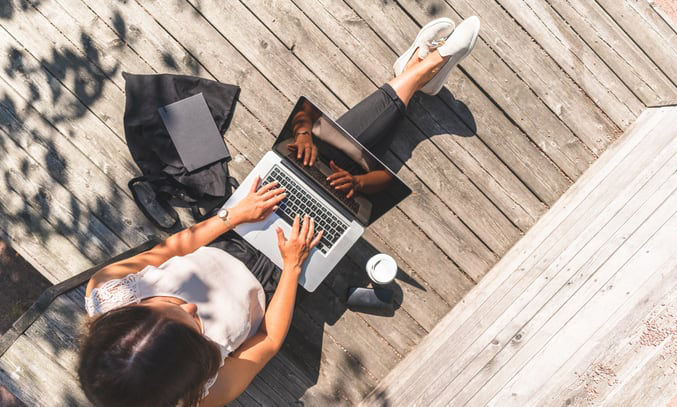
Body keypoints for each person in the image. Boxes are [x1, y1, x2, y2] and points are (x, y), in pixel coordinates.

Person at [77, 16, 480, 407]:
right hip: (276, 283)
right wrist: (291, 266)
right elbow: (267, 341)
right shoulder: (204, 391)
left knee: (313, 162)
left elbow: (171, 248)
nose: (188, 305)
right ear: (192, 364)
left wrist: (233, 216)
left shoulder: (107, 292)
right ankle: (417, 71)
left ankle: (416, 74)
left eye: (167, 307)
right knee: (342, 190)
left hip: (231, 234)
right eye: (195, 325)